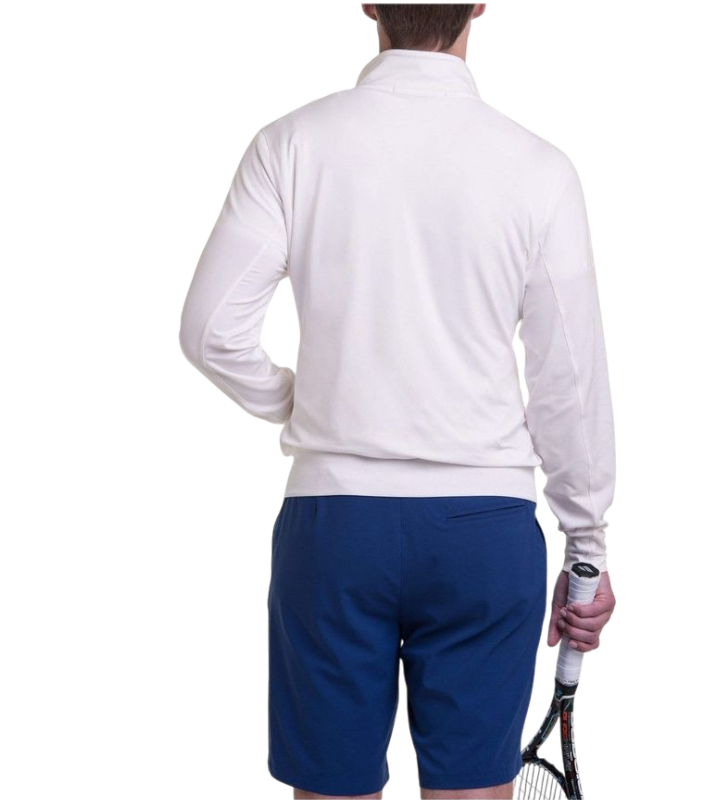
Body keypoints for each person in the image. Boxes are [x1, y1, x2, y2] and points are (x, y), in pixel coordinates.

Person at [177, 4, 617, 800]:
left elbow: (209, 332)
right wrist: (587, 544)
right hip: (485, 530)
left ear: (369, 3)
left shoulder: (291, 142)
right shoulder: (539, 165)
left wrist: (302, 404)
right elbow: (571, 382)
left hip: (334, 525)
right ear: (478, 4)